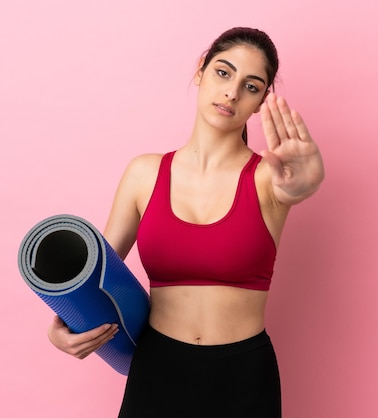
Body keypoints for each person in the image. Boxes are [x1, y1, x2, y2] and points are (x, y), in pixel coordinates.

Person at [47, 27, 324, 417]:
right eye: (223, 73)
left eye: (251, 86)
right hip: (157, 370)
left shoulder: (268, 178)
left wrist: (307, 182)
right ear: (201, 71)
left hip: (243, 378)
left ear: (262, 101)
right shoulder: (144, 173)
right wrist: (62, 324)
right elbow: (97, 275)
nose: (231, 92)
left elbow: (294, 189)